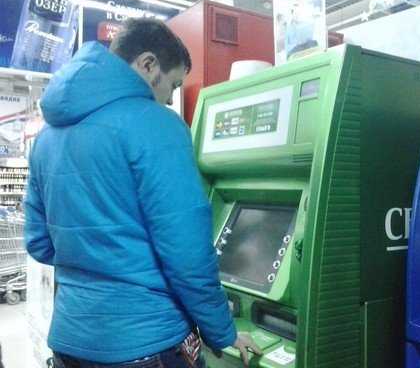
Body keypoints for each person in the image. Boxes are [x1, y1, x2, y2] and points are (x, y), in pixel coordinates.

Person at [24, 18, 261, 368]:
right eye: (173, 85)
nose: (170, 99)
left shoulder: (47, 138)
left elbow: (39, 243)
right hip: (147, 341)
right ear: (148, 64)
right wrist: (222, 332)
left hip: (70, 342)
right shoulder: (158, 125)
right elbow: (188, 255)